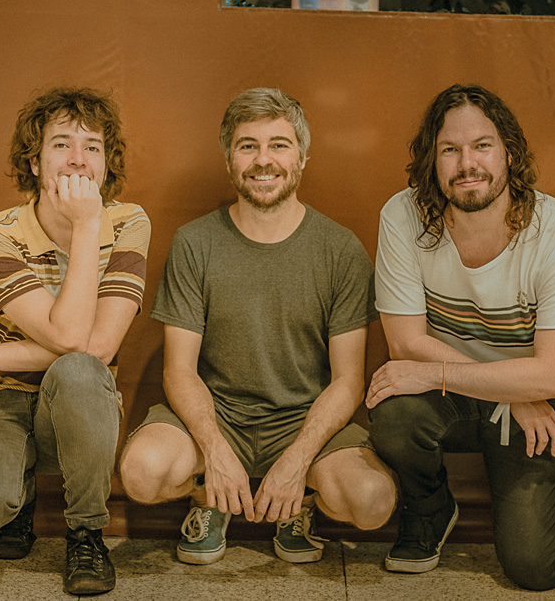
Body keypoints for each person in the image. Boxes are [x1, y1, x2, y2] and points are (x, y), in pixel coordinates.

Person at [118, 87, 396, 566]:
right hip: (216, 411)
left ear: (302, 158)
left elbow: (348, 379)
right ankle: (208, 499)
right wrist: (215, 449)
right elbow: (179, 370)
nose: (263, 160)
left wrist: (298, 458)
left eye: (279, 145)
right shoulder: (196, 242)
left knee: (373, 502)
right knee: (141, 474)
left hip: (304, 419)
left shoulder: (340, 250)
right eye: (248, 145)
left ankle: (299, 505)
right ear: (230, 159)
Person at [367, 83, 555, 591]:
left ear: (509, 151)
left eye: (482, 145)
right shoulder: (402, 216)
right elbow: (405, 344)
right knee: (394, 414)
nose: (468, 163)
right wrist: (511, 391)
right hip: (462, 393)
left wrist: (526, 392)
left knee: (534, 567)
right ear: (432, 160)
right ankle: (430, 510)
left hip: (534, 395)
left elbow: (552, 374)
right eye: (450, 149)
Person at [0, 87, 151, 595]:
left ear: (105, 163)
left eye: (92, 146)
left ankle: (86, 532)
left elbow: (91, 347)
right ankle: (17, 493)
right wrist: (85, 227)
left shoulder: (127, 222)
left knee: (79, 369)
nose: (78, 158)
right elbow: (71, 334)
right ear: (34, 162)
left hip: (78, 398)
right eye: (61, 144)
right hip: (2, 395)